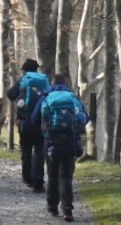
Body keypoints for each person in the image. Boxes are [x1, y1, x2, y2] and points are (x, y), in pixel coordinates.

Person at [36, 73, 87, 222]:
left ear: (51, 84)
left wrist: (45, 132)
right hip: (69, 141)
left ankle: (52, 207)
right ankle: (67, 210)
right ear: (65, 84)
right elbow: (83, 117)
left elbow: (40, 116)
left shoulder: (47, 98)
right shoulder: (72, 99)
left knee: (52, 175)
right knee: (66, 176)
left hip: (51, 141)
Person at [15, 58, 50, 193]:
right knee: (40, 150)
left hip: (25, 121)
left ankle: (27, 178)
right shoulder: (44, 81)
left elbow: (10, 94)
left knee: (26, 149)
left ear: (24, 70)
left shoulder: (23, 81)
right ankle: (38, 182)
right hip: (40, 122)